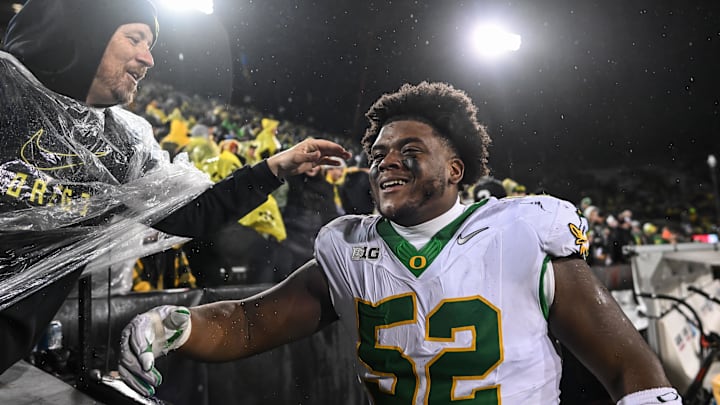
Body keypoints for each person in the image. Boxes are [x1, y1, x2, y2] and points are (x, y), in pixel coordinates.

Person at [120, 82, 681, 404]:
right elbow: (249, 323)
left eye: (409, 148)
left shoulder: (523, 229)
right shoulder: (349, 247)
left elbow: (628, 367)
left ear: (456, 167)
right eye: (380, 152)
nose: (387, 159)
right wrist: (176, 324)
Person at [0, 0, 350, 376]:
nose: (147, 59)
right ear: (83, 34)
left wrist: (275, 168)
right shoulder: (6, 94)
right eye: (134, 38)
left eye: (149, 44)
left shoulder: (120, 143)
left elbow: (193, 213)